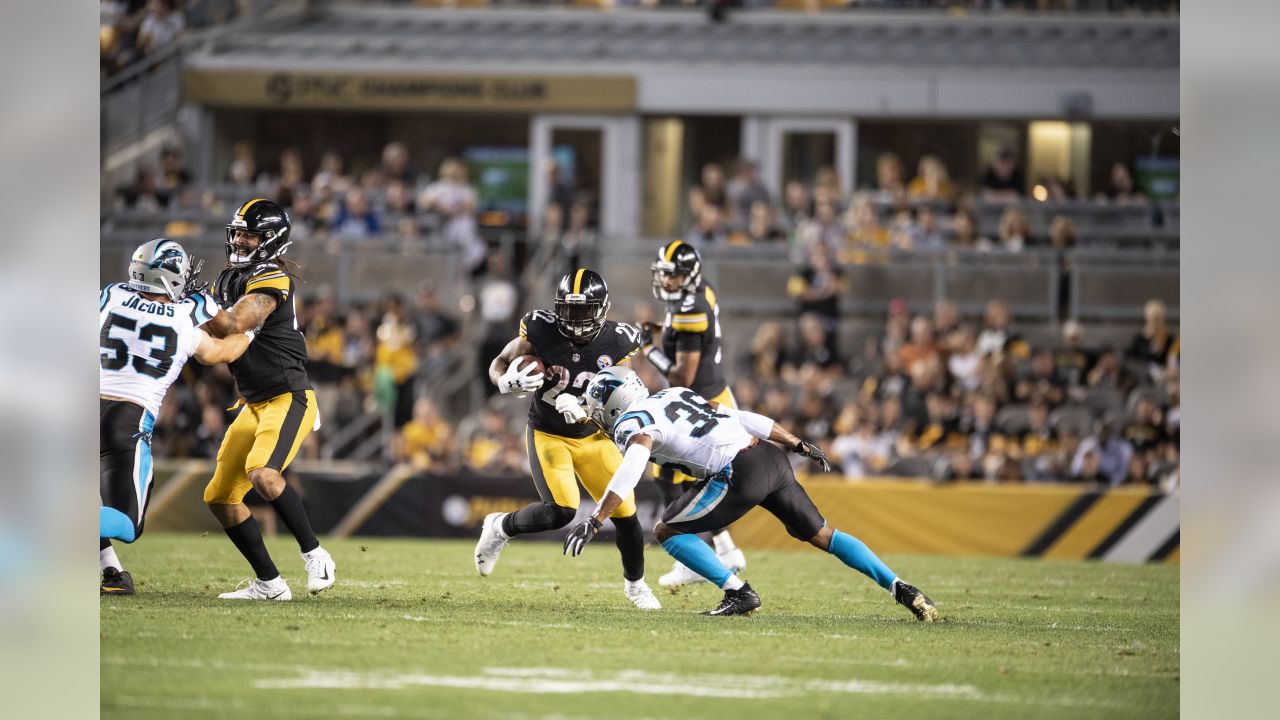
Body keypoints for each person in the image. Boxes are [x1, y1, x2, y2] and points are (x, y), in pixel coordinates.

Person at [567, 367, 938, 621]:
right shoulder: (672, 394)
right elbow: (740, 416)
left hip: (738, 471)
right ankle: (900, 586)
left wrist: (596, 518)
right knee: (823, 534)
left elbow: (632, 466)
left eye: (600, 407)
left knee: (667, 531)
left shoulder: (634, 422)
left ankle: (738, 592)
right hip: (769, 457)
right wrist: (795, 442)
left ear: (616, 403)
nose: (598, 414)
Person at [474, 269, 660, 610]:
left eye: (584, 311)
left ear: (602, 308)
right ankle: (500, 526)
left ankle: (636, 588)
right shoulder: (540, 327)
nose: (575, 320)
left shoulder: (619, 341)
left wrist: (587, 407)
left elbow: (625, 394)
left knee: (627, 516)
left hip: (594, 437)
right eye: (569, 311)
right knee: (560, 512)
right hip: (549, 431)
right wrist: (502, 382)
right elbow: (500, 360)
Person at [100, 239, 256, 595]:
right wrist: (249, 335)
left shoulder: (110, 294)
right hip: (128, 419)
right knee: (126, 523)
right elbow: (217, 350)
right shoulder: (187, 313)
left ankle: (113, 575)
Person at [199, 199, 336, 601]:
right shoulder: (226, 280)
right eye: (237, 232)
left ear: (271, 240)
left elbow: (236, 321)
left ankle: (316, 555)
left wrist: (190, 307)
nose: (240, 240)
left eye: (250, 234)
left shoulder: (271, 277)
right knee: (219, 498)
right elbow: (219, 343)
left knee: (263, 472)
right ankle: (270, 584)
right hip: (253, 402)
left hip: (288, 397)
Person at [640, 241, 747, 588]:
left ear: (688, 275)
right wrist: (661, 332)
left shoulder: (690, 309)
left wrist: (648, 350)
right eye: (664, 275)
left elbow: (681, 375)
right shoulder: (703, 291)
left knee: (668, 478)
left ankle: (692, 557)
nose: (666, 282)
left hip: (699, 404)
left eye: (673, 276)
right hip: (711, 395)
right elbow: (687, 334)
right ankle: (725, 546)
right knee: (684, 478)